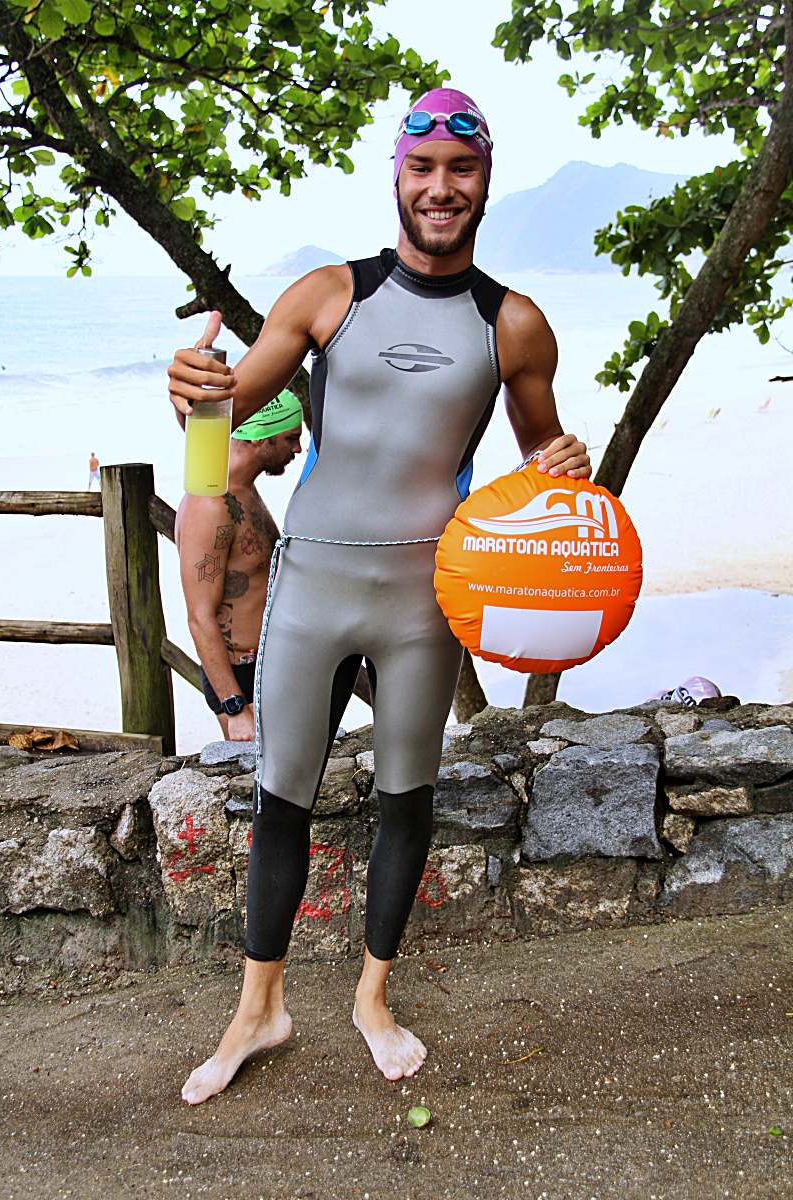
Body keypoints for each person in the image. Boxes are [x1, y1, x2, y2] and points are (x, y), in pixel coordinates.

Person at [167, 87, 592, 1103]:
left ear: (484, 181)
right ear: (397, 179)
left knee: (407, 798)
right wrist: (194, 390)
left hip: (422, 601)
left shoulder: (513, 324)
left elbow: (546, 471)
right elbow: (219, 435)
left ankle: (371, 999)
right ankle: (257, 1012)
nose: (441, 188)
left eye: (461, 169)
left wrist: (565, 466)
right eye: (423, 169)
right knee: (280, 798)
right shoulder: (328, 296)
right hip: (314, 584)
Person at [175, 392, 303, 740]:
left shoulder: (243, 488)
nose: (297, 449)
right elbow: (199, 616)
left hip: (267, 665)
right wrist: (234, 706)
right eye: (291, 437)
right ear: (261, 438)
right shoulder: (210, 506)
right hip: (238, 677)